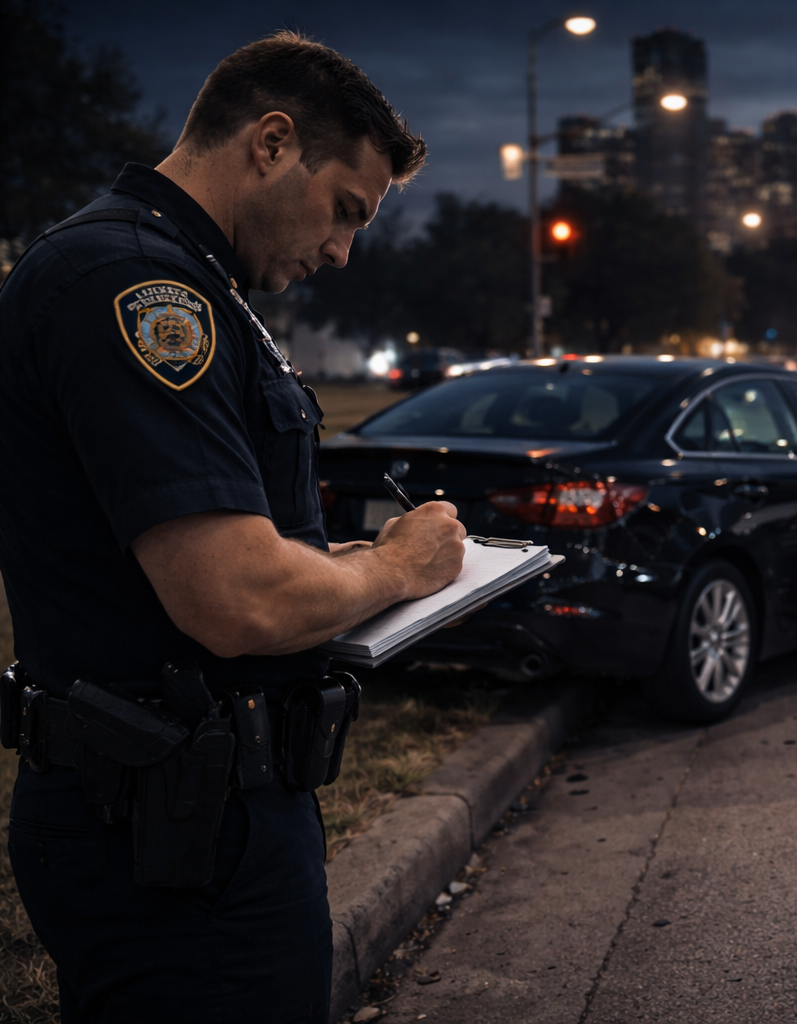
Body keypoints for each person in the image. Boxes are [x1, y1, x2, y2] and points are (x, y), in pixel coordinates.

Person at [0, 32, 465, 1022]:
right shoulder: (139, 288)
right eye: (345, 210)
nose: (342, 251)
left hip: (182, 811)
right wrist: (394, 566)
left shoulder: (189, 279)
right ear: (271, 143)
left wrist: (334, 564)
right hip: (171, 838)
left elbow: (202, 552)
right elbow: (234, 596)